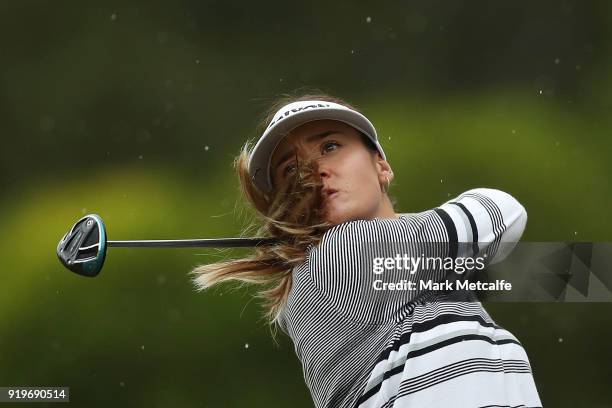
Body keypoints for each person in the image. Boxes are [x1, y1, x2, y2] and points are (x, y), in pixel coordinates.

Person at [191, 90, 543, 408]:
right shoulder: (343, 254)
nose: (319, 171)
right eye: (291, 170)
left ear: (381, 164)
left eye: (330, 147)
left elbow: (558, 274)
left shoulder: (406, 267)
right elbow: (500, 211)